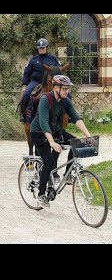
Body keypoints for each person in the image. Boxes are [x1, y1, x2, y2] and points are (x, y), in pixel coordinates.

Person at [30, 75, 92, 208]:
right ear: (55, 88)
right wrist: (51, 142)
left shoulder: (65, 100)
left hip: (55, 131)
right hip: (39, 133)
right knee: (48, 163)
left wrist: (88, 135)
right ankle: (41, 194)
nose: (66, 91)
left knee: (77, 144)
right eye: (64, 89)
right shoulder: (45, 99)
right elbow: (43, 122)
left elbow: (75, 117)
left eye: (68, 89)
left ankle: (68, 175)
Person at [19, 38, 61, 122]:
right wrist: (24, 85)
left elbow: (59, 71)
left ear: (46, 48)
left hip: (50, 82)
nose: (41, 49)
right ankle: (23, 115)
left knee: (66, 94)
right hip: (36, 81)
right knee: (26, 94)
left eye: (43, 48)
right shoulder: (33, 60)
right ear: (38, 49)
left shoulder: (53, 59)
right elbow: (27, 72)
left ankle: (67, 115)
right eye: (40, 48)